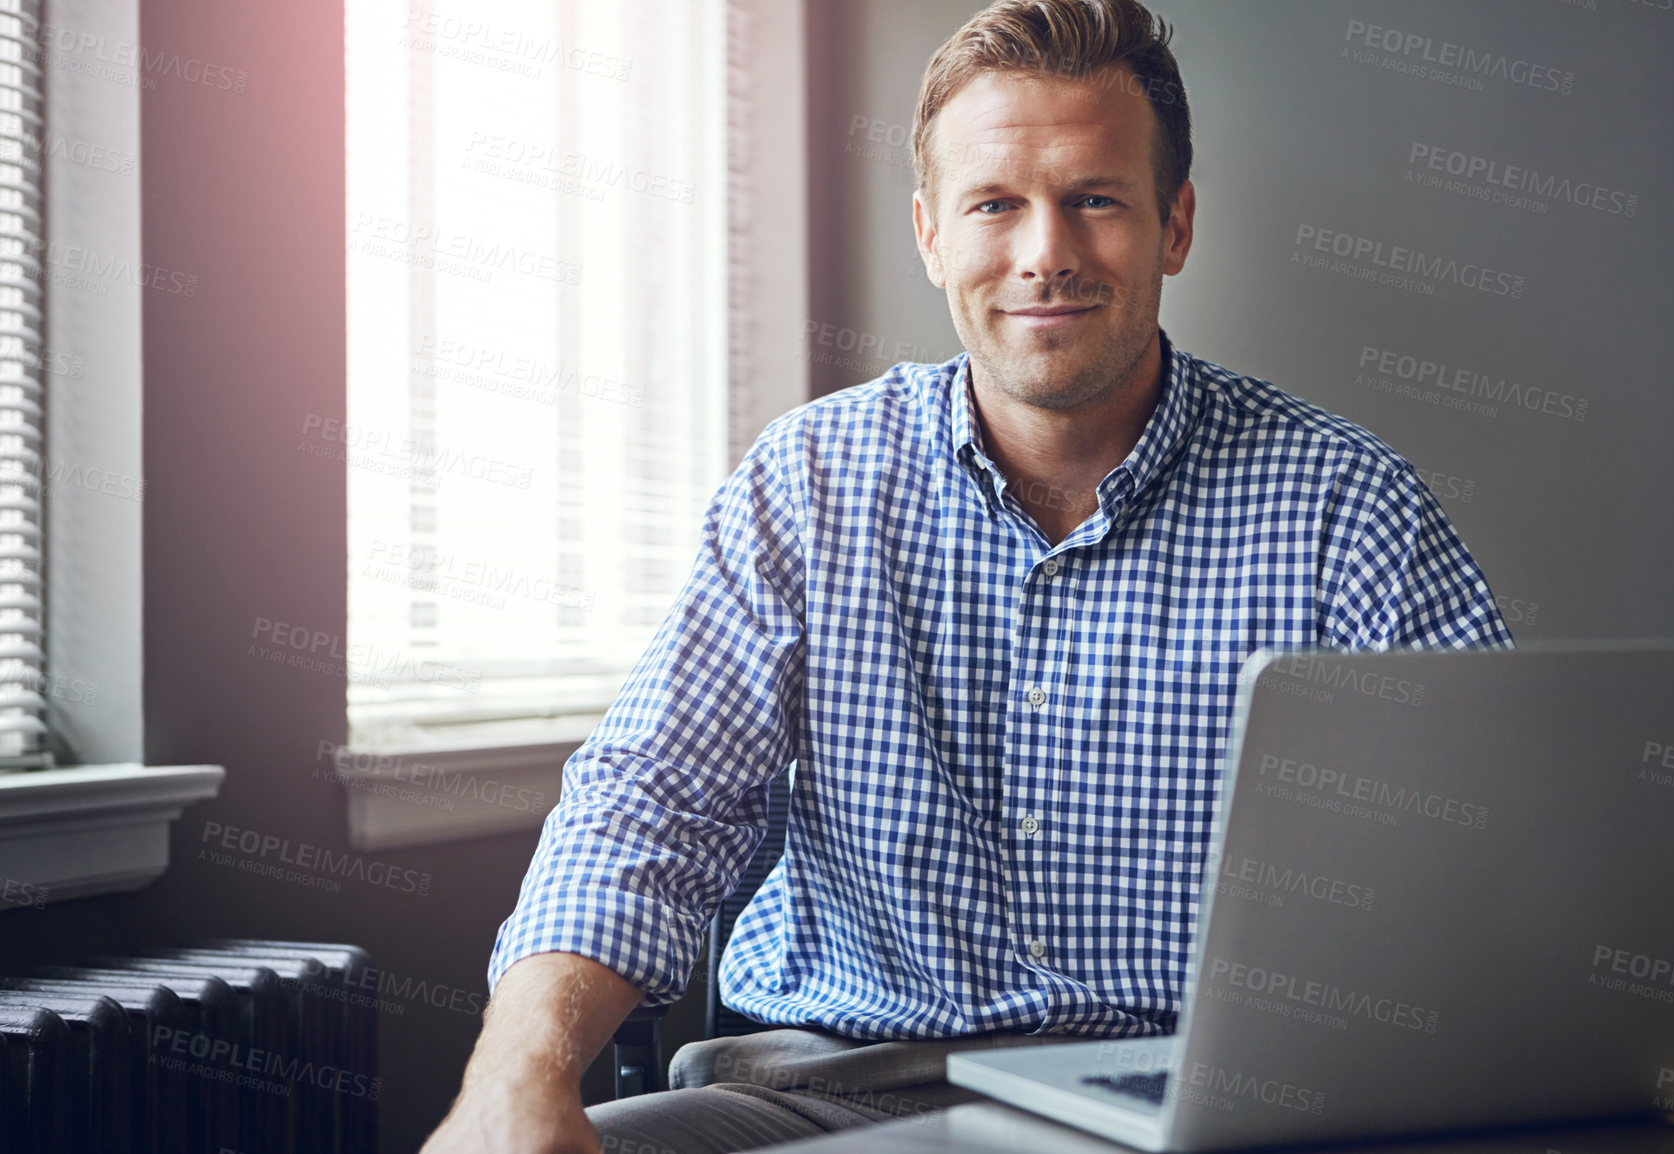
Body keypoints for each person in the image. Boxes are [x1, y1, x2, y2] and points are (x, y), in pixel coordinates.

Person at [423, 2, 1511, 1151]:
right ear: (931, 233)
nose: (1045, 250)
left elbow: (1493, 853)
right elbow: (650, 805)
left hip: (1200, 1108)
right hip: (826, 1091)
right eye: (995, 203)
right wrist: (516, 1076)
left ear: (1174, 224)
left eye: (1094, 198)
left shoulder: (1350, 507)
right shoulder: (807, 483)